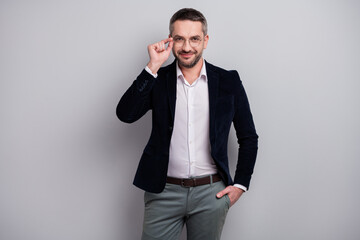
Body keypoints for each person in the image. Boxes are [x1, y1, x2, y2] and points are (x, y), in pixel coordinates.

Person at [116, 8, 258, 240]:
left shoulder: (228, 81)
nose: (187, 47)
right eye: (179, 39)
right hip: (163, 192)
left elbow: (248, 137)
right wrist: (152, 67)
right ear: (170, 40)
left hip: (211, 193)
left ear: (205, 40)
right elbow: (125, 114)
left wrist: (240, 185)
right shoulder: (158, 80)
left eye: (194, 39)